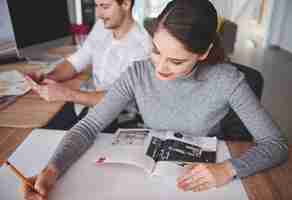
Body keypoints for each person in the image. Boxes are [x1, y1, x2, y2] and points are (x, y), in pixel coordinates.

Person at [22, 0, 288, 199]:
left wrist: (228, 169)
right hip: (148, 180)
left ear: (204, 52)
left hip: (203, 183)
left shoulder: (228, 80)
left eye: (176, 61)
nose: (160, 68)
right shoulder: (138, 72)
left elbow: (276, 144)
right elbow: (89, 126)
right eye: (156, 51)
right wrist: (52, 170)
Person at [26, 0, 152, 129]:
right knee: (36, 127)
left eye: (105, 6)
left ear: (126, 4)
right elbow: (77, 60)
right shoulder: (101, 26)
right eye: (96, 6)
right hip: (87, 103)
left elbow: (118, 99)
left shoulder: (143, 47)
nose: (98, 14)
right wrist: (48, 78)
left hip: (118, 117)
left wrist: (66, 94)